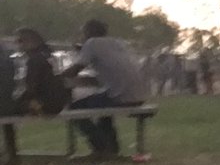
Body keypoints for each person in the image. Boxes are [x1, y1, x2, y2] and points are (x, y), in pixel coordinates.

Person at [62, 19, 148, 157]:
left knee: (75, 108)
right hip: (139, 95)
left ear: (88, 32)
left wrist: (55, 77)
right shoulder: (117, 43)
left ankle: (100, 146)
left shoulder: (92, 43)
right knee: (102, 107)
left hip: (121, 96)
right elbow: (108, 69)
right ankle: (111, 147)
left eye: (83, 33)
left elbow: (75, 70)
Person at [14, 27, 69, 115]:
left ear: (30, 41)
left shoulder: (35, 60)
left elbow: (31, 88)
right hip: (59, 102)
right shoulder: (49, 55)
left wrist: (18, 99)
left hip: (45, 104)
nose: (17, 44)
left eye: (19, 41)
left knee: (10, 107)